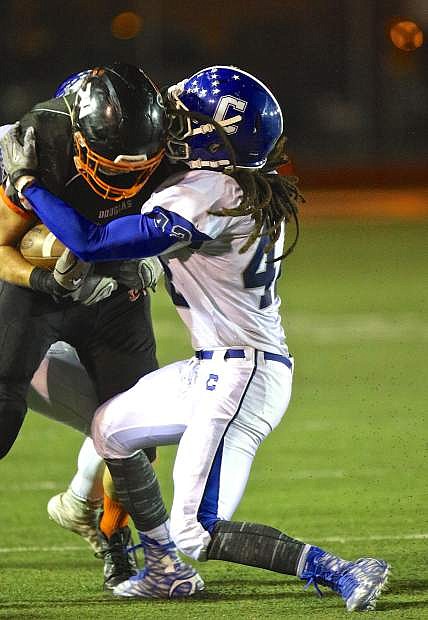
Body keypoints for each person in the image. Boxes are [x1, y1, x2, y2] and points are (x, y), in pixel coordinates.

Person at [1, 65, 390, 610]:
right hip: (213, 364)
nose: (174, 123)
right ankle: (162, 571)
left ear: (214, 136)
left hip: (242, 374)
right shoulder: (248, 184)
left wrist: (26, 183)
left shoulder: (204, 189)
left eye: (188, 118)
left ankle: (342, 569)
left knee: (198, 531)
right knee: (109, 427)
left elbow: (89, 241)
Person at [0, 61, 169, 589]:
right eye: (109, 165)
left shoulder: (173, 141)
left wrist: (161, 254)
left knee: (137, 437)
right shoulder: (39, 138)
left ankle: (112, 533)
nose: (123, 180)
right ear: (76, 135)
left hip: (117, 294)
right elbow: (3, 246)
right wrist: (48, 282)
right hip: (38, 296)